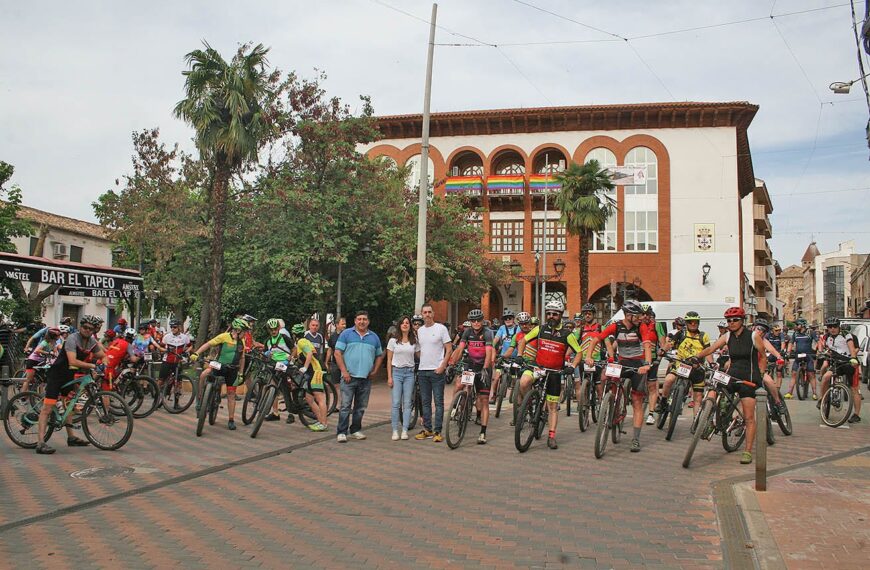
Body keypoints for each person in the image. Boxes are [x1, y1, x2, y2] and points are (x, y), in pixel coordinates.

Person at [693, 307, 767, 464]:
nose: (731, 323)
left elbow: (762, 357)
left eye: (735, 320)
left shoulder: (753, 336)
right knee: (713, 390)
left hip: (749, 379)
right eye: (729, 320)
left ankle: (747, 451)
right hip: (732, 375)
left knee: (748, 417)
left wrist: (760, 377)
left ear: (742, 321)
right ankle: (709, 418)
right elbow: (712, 348)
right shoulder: (727, 336)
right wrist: (697, 357)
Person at [584, 300, 653, 453]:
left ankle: (635, 439)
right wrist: (589, 356)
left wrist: (647, 364)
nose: (640, 318)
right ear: (628, 315)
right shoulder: (616, 326)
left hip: (637, 365)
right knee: (607, 378)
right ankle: (611, 402)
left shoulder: (641, 327)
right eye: (637, 315)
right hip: (621, 362)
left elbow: (647, 345)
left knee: (636, 401)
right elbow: (596, 339)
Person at [516, 300, 583, 450]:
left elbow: (579, 352)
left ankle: (552, 436)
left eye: (555, 314)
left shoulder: (567, 334)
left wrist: (572, 366)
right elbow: (523, 341)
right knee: (523, 382)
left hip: (555, 372)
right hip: (537, 367)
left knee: (552, 406)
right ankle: (529, 403)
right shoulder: (539, 329)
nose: (551, 316)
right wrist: (520, 355)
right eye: (549, 314)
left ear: (561, 315)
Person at [35, 315, 106, 454]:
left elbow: (102, 354)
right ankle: (40, 443)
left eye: (90, 328)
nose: (87, 330)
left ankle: (71, 437)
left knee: (69, 405)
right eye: (85, 327)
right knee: (47, 409)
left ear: (94, 330)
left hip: (69, 376)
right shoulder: (72, 339)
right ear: (81, 326)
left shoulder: (91, 341)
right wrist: (92, 365)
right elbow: (73, 361)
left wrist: (105, 361)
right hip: (56, 375)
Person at [191, 318, 248, 431]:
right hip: (219, 365)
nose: (245, 333)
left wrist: (241, 373)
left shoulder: (242, 342)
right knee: (203, 375)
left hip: (232, 369)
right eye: (244, 331)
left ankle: (231, 420)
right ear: (237, 330)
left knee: (231, 393)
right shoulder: (224, 336)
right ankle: (200, 399)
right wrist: (197, 353)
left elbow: (242, 358)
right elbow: (208, 344)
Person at [334, 311, 383, 442]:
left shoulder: (374, 337)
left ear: (368, 321)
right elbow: (337, 353)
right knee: (345, 406)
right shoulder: (346, 334)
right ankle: (342, 432)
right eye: (359, 319)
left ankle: (355, 429)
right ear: (355, 321)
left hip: (365, 378)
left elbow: (379, 355)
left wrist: (375, 370)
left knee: (360, 407)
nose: (362, 322)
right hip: (348, 377)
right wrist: (344, 371)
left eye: (365, 319)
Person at [449, 309, 496, 444]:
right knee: (462, 386)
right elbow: (460, 348)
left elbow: (488, 353)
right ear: (470, 322)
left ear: (482, 321)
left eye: (478, 320)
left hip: (483, 367)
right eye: (473, 321)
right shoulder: (467, 332)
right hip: (470, 364)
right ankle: (460, 407)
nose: (476, 323)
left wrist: (486, 369)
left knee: (484, 399)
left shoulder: (487, 333)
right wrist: (452, 363)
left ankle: (482, 433)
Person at [659, 311, 711, 417]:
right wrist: (663, 350)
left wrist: (712, 362)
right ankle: (663, 402)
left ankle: (696, 424)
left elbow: (708, 351)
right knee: (669, 380)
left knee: (698, 397)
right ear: (686, 323)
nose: (693, 324)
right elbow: (670, 344)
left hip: (697, 368)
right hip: (681, 364)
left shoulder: (703, 336)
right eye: (690, 322)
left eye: (695, 322)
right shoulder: (681, 333)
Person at [414, 304, 452, 443]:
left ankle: (437, 431)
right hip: (423, 371)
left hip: (437, 371)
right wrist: (422, 360)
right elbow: (418, 349)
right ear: (422, 314)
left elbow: (449, 349)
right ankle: (427, 429)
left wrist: (443, 366)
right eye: (425, 312)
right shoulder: (420, 331)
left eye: (429, 312)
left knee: (439, 402)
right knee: (425, 403)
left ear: (433, 313)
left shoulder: (441, 329)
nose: (427, 314)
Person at [818, 317, 861, 423]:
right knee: (825, 377)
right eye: (830, 327)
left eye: (835, 326)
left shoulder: (846, 335)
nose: (832, 329)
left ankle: (856, 414)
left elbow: (852, 348)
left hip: (849, 363)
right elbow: (829, 349)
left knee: (854, 389)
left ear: (839, 326)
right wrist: (825, 353)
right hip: (837, 363)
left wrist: (854, 358)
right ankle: (822, 399)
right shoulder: (827, 337)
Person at [387, 316, 419, 440]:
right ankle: (395, 430)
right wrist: (389, 377)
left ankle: (405, 429)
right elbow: (389, 359)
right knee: (396, 403)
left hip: (410, 373)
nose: (405, 325)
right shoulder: (393, 341)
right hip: (397, 372)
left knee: (407, 403)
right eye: (403, 323)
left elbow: (420, 355)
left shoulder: (414, 340)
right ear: (399, 325)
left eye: (407, 323)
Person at [292, 323, 328, 431]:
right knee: (309, 399)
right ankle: (320, 420)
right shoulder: (300, 343)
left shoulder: (302, 341)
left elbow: (309, 354)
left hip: (315, 372)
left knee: (320, 398)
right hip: (311, 373)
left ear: (294, 334)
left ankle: (324, 423)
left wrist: (305, 367)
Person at [262, 318, 295, 423]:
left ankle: (291, 413)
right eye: (271, 329)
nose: (273, 331)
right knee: (273, 387)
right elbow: (265, 353)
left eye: (275, 329)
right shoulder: (268, 341)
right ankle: (275, 412)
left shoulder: (284, 337)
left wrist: (291, 357)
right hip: (273, 365)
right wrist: (266, 355)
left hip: (284, 364)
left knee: (285, 388)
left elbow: (294, 349)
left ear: (278, 328)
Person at [490, 309, 519, 405]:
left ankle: (514, 393)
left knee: (515, 379)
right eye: (505, 318)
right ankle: (494, 395)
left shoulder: (518, 329)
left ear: (513, 319)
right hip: (503, 357)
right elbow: (496, 339)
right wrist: (491, 346)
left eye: (510, 318)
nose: (508, 320)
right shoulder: (502, 328)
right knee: (497, 378)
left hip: (515, 358)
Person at [784, 318, 818, 399]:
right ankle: (789, 393)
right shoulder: (795, 334)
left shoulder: (810, 333)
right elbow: (791, 343)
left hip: (808, 356)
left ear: (802, 325)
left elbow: (818, 341)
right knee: (794, 374)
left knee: (811, 374)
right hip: (798, 356)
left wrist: (819, 350)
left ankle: (814, 393)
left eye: (797, 325)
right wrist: (788, 352)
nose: (795, 326)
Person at [23, 327, 61, 392]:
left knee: (43, 380)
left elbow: (55, 352)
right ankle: (22, 396)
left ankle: (39, 395)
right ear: (53, 336)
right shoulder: (44, 342)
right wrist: (48, 353)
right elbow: (37, 351)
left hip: (41, 362)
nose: (59, 336)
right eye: (58, 335)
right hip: (33, 361)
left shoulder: (54, 343)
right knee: (28, 379)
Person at [158, 320, 191, 389]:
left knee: (179, 382)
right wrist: (165, 350)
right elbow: (160, 347)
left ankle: (177, 394)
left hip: (178, 362)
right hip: (167, 361)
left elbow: (190, 346)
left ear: (179, 328)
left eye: (174, 327)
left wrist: (186, 352)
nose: (172, 328)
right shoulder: (167, 337)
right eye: (171, 327)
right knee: (160, 380)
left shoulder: (184, 337)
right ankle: (157, 395)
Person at [325, 317, 347, 393]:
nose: (344, 326)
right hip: (335, 363)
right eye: (342, 324)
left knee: (346, 383)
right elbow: (330, 349)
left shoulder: (348, 335)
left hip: (346, 363)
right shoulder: (333, 336)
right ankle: (339, 401)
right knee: (336, 384)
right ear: (337, 325)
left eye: (345, 324)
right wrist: (326, 362)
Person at [765, 322, 787, 389]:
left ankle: (778, 388)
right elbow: (764, 343)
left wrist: (782, 350)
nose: (778, 332)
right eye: (776, 330)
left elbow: (783, 343)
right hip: (770, 354)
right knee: (767, 371)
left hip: (779, 354)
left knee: (778, 373)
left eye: (779, 330)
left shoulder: (781, 335)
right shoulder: (768, 335)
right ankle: (769, 384)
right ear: (772, 330)